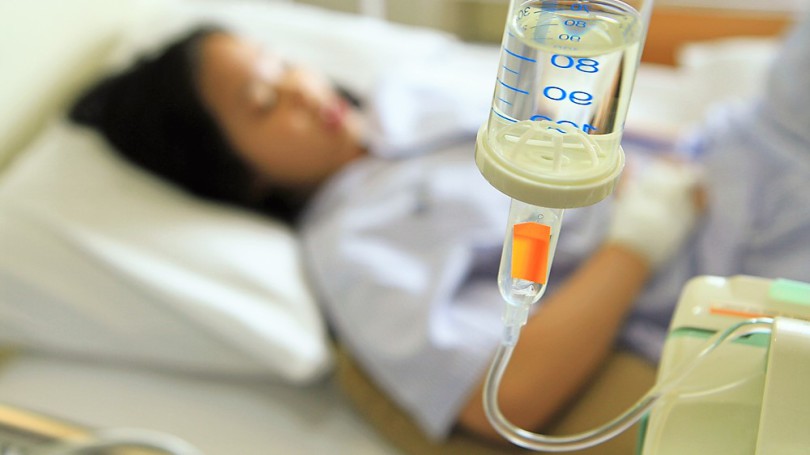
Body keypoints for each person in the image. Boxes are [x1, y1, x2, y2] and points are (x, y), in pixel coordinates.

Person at [68, 13, 810, 451]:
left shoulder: (408, 101)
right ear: (232, 170)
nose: (299, 87)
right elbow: (506, 393)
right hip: (727, 252)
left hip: (735, 154)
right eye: (264, 102)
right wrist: (639, 242)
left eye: (283, 65)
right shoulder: (353, 248)